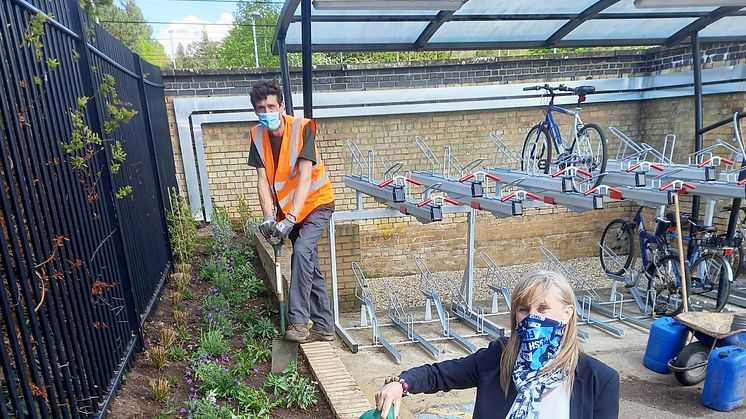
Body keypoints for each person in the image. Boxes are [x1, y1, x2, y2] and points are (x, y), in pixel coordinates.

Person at [375, 270, 620, 419]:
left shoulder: (599, 380)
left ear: (567, 313)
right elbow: (439, 375)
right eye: (524, 309)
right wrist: (400, 385)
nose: (532, 317)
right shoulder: (500, 357)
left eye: (543, 308)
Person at [247, 80, 336, 343]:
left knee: (301, 252)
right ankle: (325, 326)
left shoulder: (302, 128)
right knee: (309, 263)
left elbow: (306, 178)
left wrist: (290, 220)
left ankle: (298, 322)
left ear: (282, 105)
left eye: (271, 106)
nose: (266, 113)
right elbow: (262, 180)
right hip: (289, 211)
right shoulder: (257, 135)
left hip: (317, 203)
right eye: (261, 108)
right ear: (255, 111)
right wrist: (267, 216)